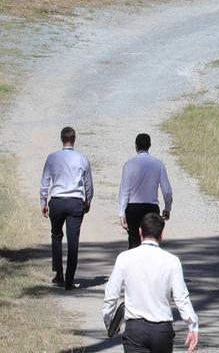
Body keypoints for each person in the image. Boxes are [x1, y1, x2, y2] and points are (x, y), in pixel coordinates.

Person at [102, 213, 199, 353]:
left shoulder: (124, 258)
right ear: (162, 235)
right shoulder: (172, 261)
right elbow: (181, 298)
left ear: (140, 232)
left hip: (135, 330)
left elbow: (111, 294)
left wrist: (109, 321)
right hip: (162, 331)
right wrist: (192, 326)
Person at [40, 126, 93, 290]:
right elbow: (88, 185)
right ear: (74, 139)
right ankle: (70, 279)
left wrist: (43, 201)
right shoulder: (82, 158)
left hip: (57, 200)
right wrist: (87, 202)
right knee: (73, 240)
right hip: (75, 201)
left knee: (56, 235)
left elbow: (45, 182)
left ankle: (59, 273)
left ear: (61, 139)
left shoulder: (52, 158)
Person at [118, 134, 174, 249]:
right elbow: (167, 190)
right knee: (152, 242)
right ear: (149, 145)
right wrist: (167, 207)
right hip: (151, 207)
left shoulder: (129, 164)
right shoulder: (158, 164)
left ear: (136, 146)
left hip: (133, 207)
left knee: (134, 242)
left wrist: (121, 213)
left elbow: (124, 191)